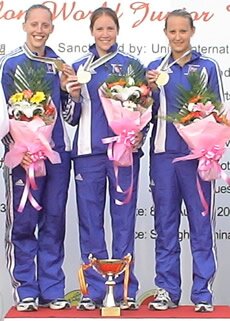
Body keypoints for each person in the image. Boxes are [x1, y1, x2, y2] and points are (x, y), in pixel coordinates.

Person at [62, 7, 147, 311]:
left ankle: (125, 290)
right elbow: (70, 118)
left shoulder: (132, 66)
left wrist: (139, 137)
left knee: (123, 223)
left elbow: (143, 114)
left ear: (117, 31)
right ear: (92, 31)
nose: (105, 34)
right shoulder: (76, 68)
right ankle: (94, 291)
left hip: (123, 155)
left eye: (110, 29)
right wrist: (71, 97)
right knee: (90, 223)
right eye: (100, 29)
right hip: (87, 156)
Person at [146, 9, 224, 313]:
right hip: (164, 156)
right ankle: (167, 289)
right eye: (172, 32)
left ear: (192, 32)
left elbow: (218, 114)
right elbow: (143, 116)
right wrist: (145, 95)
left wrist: (210, 149)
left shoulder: (207, 67)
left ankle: (202, 293)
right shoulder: (154, 69)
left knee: (201, 225)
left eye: (183, 31)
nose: (178, 37)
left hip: (198, 159)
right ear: (165, 34)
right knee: (165, 225)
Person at [0, 4, 73, 312]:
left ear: (52, 28)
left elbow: (70, 114)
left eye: (45, 25)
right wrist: (16, 149)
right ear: (25, 25)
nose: (40, 30)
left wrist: (74, 93)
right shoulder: (10, 63)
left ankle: (52, 289)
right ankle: (26, 289)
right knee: (23, 224)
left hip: (56, 155)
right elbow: (3, 114)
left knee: (54, 222)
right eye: (35, 24)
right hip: (24, 160)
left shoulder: (59, 64)